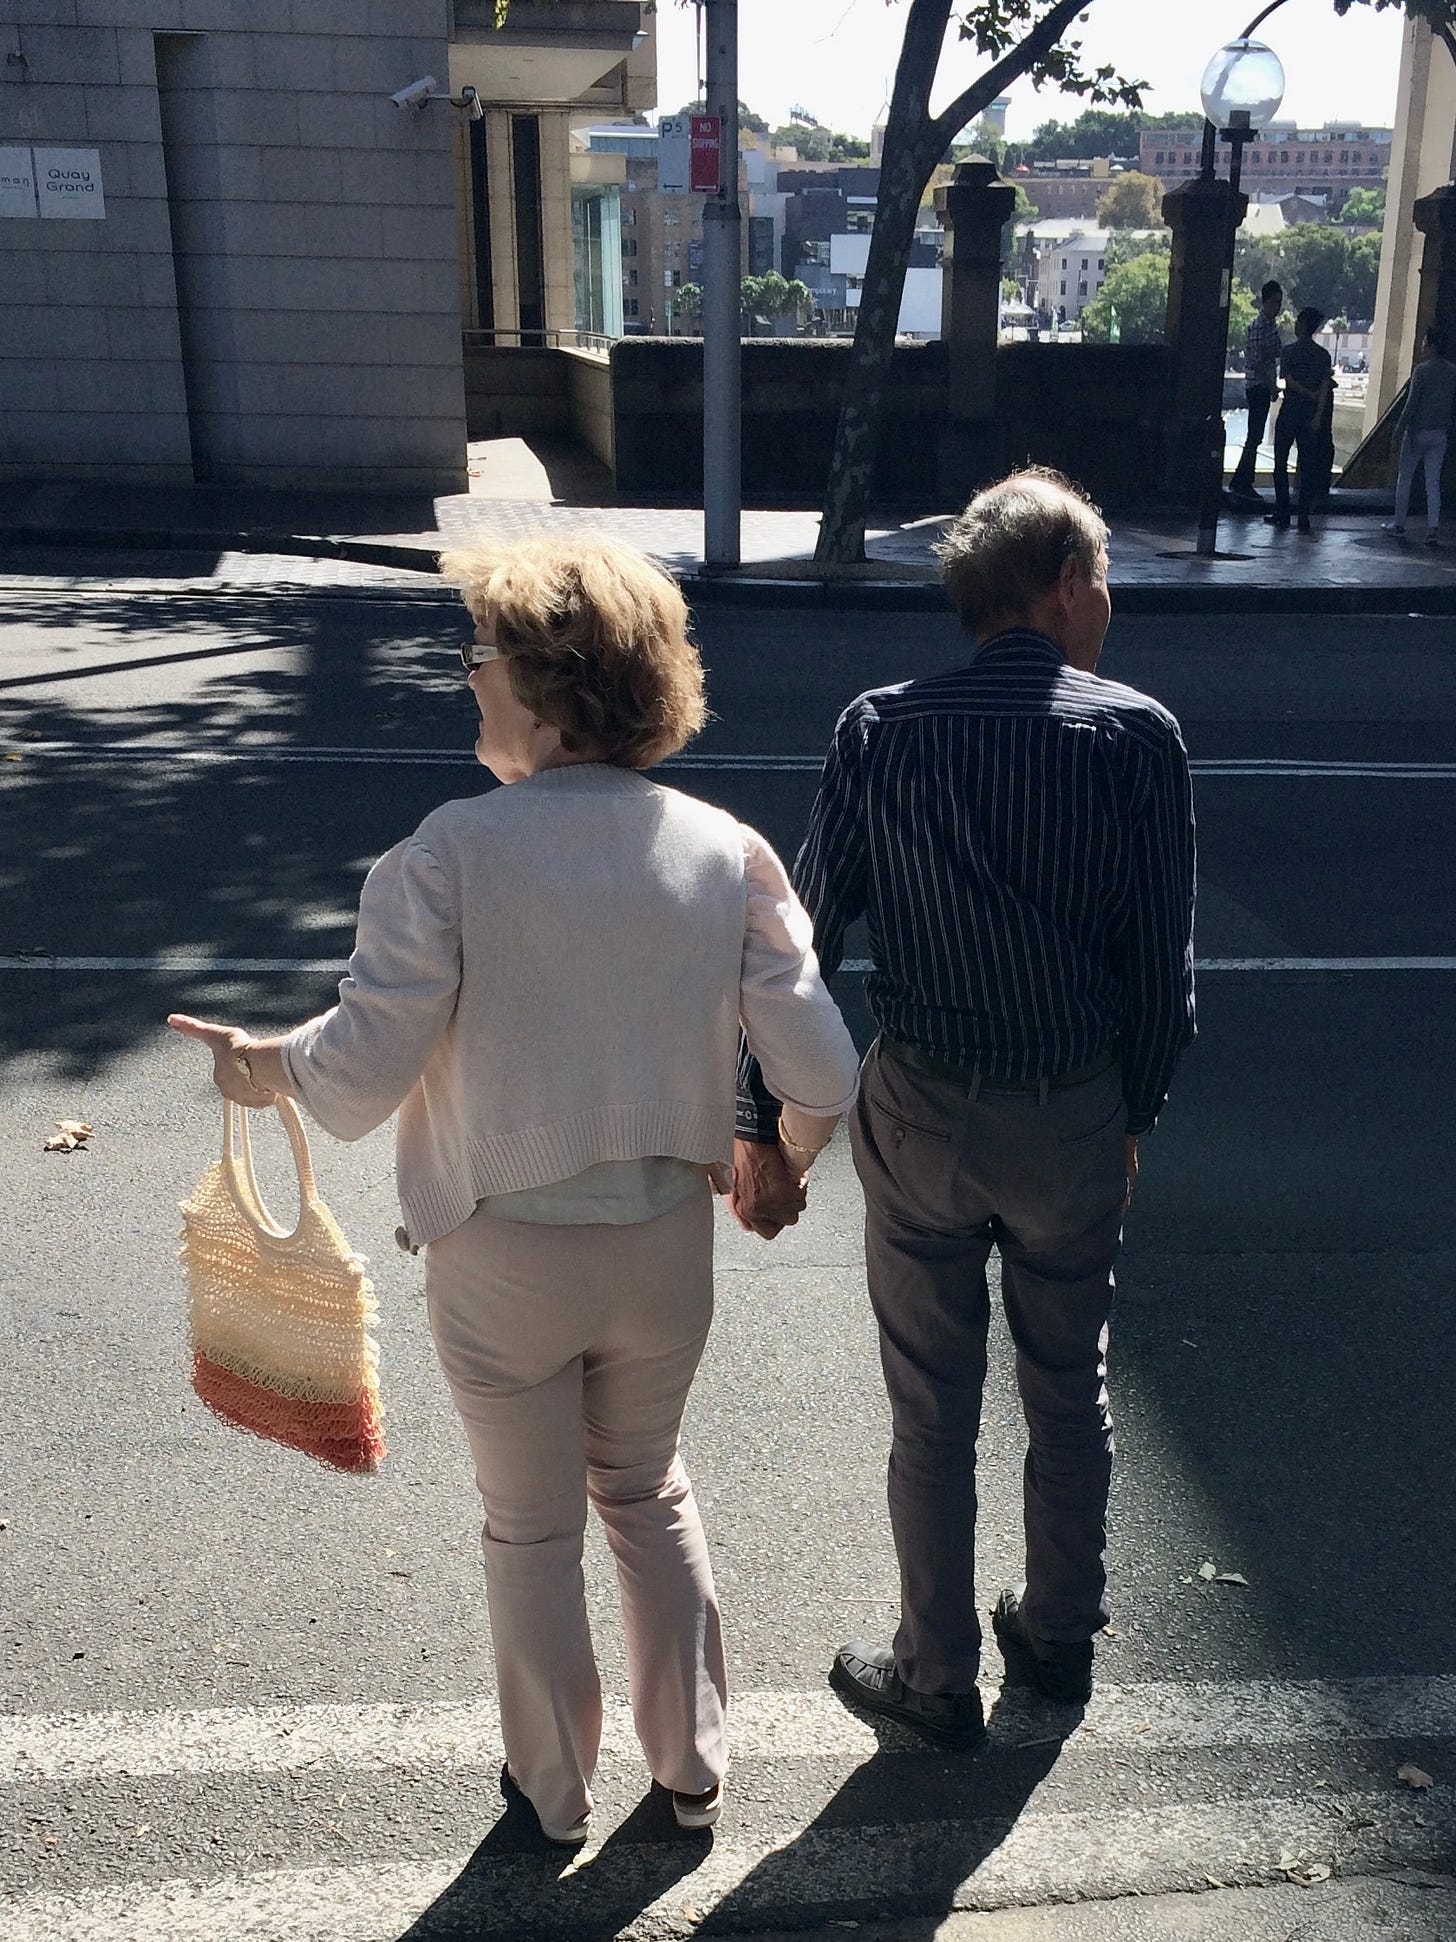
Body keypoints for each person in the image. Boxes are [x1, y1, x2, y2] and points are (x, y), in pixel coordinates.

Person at [168, 534, 861, 1847]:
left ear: (545, 685)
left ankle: (551, 1791)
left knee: (530, 1531)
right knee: (646, 1490)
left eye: (478, 655)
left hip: (502, 1251)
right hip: (664, 1245)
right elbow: (824, 1067)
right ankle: (694, 1767)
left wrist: (257, 1068)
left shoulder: (449, 854)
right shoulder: (725, 850)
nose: (468, 678)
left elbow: (360, 1072)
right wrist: (784, 1157)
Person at [735, 469, 1196, 1749]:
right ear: (1065, 586)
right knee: (1068, 1384)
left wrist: (760, 1122)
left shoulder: (881, 726)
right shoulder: (1136, 736)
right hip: (1068, 1106)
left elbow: (796, 950)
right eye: (1103, 577)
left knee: (932, 1405)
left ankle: (933, 1672)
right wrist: (1130, 1111)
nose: (1107, 600)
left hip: (923, 1106)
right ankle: (1058, 1632)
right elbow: (1160, 974)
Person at [1267, 306, 1334, 535]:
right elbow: (1324, 387)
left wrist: (1305, 392)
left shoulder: (1289, 352)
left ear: (1303, 325)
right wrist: (1318, 414)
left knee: (1280, 463)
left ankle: (1282, 512)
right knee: (1307, 467)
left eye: (1297, 322)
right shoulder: (1323, 356)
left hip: (1290, 411)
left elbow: (1288, 380)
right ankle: (1303, 515)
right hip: (1309, 415)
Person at [1388, 325, 1456, 544]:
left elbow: (1411, 405)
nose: (1422, 345)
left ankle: (1399, 524)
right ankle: (1432, 529)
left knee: (1405, 477)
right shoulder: (1452, 371)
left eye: (1425, 342)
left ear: (1432, 345)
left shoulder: (1421, 371)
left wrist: (1399, 430)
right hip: (1440, 433)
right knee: (1432, 481)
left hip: (1417, 432)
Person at [1228, 279, 1284, 507]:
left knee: (1255, 435)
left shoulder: (1267, 326)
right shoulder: (1261, 327)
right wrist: (1272, 386)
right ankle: (1242, 481)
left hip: (1260, 385)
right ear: (1265, 302)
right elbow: (1258, 362)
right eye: (1275, 302)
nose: (1278, 307)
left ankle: (1242, 480)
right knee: (1254, 436)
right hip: (1259, 386)